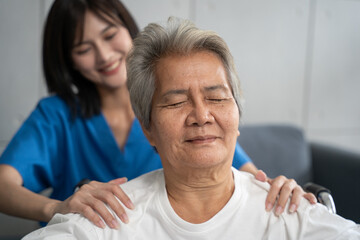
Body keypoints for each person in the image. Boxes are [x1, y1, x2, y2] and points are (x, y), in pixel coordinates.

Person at [22, 17, 360, 240]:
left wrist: (283, 193)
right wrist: (54, 208)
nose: (201, 115)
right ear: (148, 129)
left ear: (237, 115)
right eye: (175, 102)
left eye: (216, 98)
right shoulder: (105, 223)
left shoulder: (291, 215)